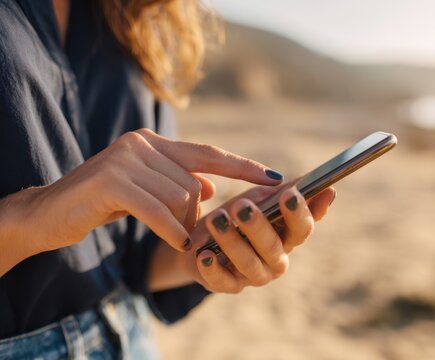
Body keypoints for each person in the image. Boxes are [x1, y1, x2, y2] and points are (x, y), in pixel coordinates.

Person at [0, 0, 336, 358]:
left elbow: (133, 260)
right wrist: (31, 215)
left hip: (130, 336)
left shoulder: (137, 10)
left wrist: (197, 252)